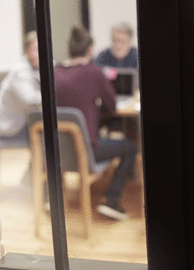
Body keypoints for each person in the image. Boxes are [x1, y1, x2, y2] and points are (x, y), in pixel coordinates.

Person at [54, 25, 138, 221]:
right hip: (88, 150)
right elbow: (112, 105)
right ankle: (111, 200)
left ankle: (52, 197)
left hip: (59, 152)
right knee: (131, 147)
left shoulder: (54, 72)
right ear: (90, 50)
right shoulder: (94, 72)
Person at [0, 31, 41, 139]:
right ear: (26, 50)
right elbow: (31, 100)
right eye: (32, 50)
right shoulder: (20, 71)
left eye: (38, 50)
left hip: (19, 122)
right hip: (10, 128)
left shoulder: (37, 67)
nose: (35, 54)